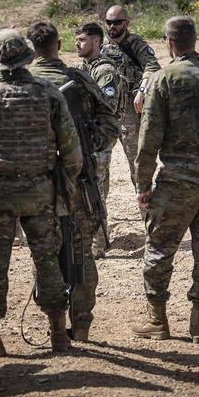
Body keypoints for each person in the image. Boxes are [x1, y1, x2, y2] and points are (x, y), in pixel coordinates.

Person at [0, 30, 83, 357]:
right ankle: (58, 333)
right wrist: (65, 186)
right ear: (27, 56)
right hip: (40, 192)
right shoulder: (49, 92)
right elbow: (71, 150)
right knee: (48, 261)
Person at [131, 16, 199, 343]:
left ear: (169, 42)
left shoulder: (163, 80)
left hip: (178, 181)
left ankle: (158, 321)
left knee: (159, 250)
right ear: (195, 40)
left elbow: (148, 139)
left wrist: (143, 185)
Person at [27, 22, 119, 341]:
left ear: (31, 47)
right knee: (80, 251)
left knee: (44, 253)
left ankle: (55, 326)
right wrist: (83, 146)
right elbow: (110, 124)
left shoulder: (18, 83)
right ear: (58, 44)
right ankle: (80, 326)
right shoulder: (76, 79)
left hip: (33, 186)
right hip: (76, 181)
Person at [76, 22, 126, 258]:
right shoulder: (82, 67)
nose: (78, 43)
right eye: (77, 39)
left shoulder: (104, 70)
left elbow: (108, 105)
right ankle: (100, 236)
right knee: (97, 187)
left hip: (99, 137)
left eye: (83, 39)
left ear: (96, 41)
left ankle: (98, 243)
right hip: (85, 136)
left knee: (93, 188)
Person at [104, 5, 161, 195]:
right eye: (109, 22)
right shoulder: (100, 45)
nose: (112, 26)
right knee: (99, 161)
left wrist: (142, 91)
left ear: (126, 23)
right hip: (107, 111)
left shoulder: (135, 44)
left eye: (117, 22)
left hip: (131, 110)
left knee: (136, 163)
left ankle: (145, 202)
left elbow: (152, 67)